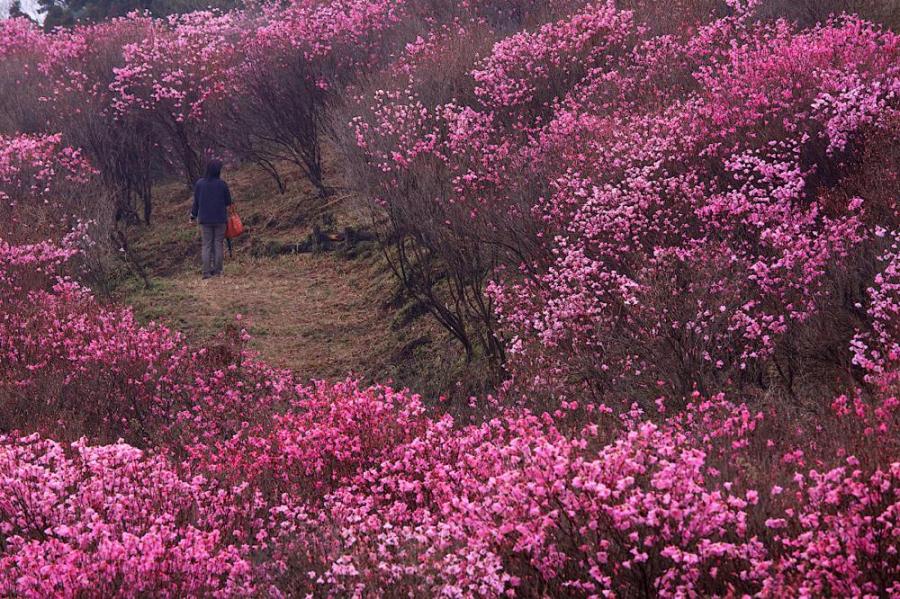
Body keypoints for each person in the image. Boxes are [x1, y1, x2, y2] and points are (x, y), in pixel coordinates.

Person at [190, 159, 233, 279]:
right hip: (220, 218)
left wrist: (193, 215)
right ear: (218, 171)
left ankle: (206, 272)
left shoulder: (200, 184)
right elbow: (228, 202)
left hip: (205, 219)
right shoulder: (222, 184)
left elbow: (196, 202)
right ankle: (218, 271)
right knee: (218, 244)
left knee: (207, 245)